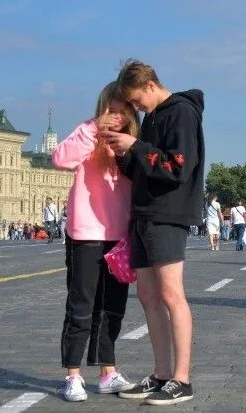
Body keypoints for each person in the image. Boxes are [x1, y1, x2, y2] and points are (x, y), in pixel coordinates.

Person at [102, 59, 204, 405]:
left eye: (136, 101)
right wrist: (121, 152)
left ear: (150, 85)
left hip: (167, 215)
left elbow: (177, 166)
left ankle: (182, 379)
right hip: (143, 214)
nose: (135, 108)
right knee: (147, 297)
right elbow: (142, 169)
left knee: (172, 296)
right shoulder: (152, 118)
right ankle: (160, 374)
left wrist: (135, 146)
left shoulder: (182, 113)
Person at [52, 81, 140, 401]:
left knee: (112, 308)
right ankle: (72, 376)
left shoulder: (133, 144)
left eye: (123, 112)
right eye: (111, 111)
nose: (116, 118)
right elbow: (60, 158)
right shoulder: (87, 135)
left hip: (119, 237)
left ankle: (108, 371)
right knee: (81, 306)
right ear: (101, 110)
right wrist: (93, 128)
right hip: (86, 234)